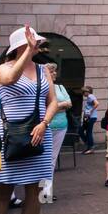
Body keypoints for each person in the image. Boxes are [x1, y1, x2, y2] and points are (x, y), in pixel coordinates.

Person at [0, 27, 59, 214]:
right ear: (19, 45)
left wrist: (44, 123)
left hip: (39, 134)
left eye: (37, 43)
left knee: (34, 190)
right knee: (1, 192)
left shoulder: (42, 70)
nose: (38, 46)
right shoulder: (4, 67)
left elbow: (53, 102)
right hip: (9, 136)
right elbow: (9, 80)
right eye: (33, 43)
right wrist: (27, 53)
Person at [37, 63, 71, 203]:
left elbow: (69, 103)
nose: (54, 74)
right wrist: (58, 105)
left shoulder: (60, 87)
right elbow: (44, 106)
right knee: (44, 160)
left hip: (61, 126)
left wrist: (55, 106)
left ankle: (46, 192)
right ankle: (42, 192)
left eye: (55, 71)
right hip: (46, 127)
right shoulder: (41, 87)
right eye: (51, 71)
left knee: (52, 160)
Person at [80, 87, 98, 152]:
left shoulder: (90, 96)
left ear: (87, 92)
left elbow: (97, 103)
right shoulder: (89, 97)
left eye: (83, 92)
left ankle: (90, 146)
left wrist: (90, 111)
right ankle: (89, 146)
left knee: (86, 132)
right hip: (89, 117)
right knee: (84, 131)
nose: (82, 94)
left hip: (91, 117)